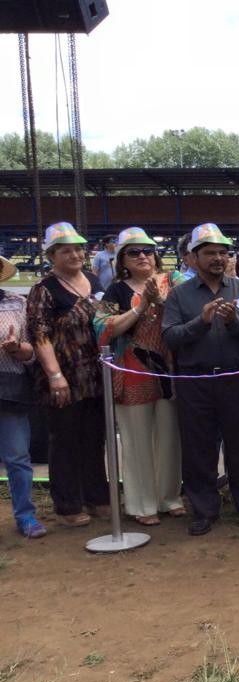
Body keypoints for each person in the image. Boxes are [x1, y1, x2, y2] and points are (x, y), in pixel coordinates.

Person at [161, 223, 239, 536]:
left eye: (223, 252)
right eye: (210, 253)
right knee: (198, 449)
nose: (218, 258)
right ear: (193, 258)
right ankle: (204, 510)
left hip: (237, 379)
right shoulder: (179, 295)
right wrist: (201, 322)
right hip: (195, 382)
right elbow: (170, 337)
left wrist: (235, 324)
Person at [94, 227, 186, 526]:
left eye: (147, 250)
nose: (143, 256)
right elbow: (103, 328)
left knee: (170, 436)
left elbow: (192, 300)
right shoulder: (115, 290)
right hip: (133, 368)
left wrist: (162, 301)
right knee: (135, 439)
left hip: (168, 370)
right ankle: (140, 502)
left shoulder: (173, 280)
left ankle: (169, 496)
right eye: (134, 252)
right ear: (122, 259)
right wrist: (142, 307)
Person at [26, 222, 109, 526]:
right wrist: (54, 374)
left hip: (96, 375)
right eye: (66, 250)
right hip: (63, 377)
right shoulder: (43, 290)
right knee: (65, 439)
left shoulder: (92, 278)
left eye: (78, 248)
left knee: (94, 437)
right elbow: (40, 335)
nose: (74, 254)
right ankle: (68, 504)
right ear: (51, 255)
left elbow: (107, 318)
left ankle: (97, 496)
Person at [0, 255, 46, 538]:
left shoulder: (16, 304)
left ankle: (26, 516)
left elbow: (33, 351)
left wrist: (19, 349)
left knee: (17, 457)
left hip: (10, 389)